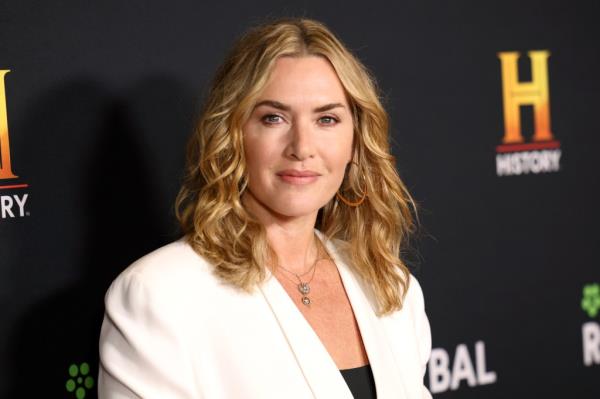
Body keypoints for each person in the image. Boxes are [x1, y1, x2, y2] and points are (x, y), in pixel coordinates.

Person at [98, 17, 432, 399]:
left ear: (355, 142)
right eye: (274, 118)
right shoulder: (158, 295)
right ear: (232, 134)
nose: (302, 146)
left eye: (327, 119)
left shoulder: (389, 283)